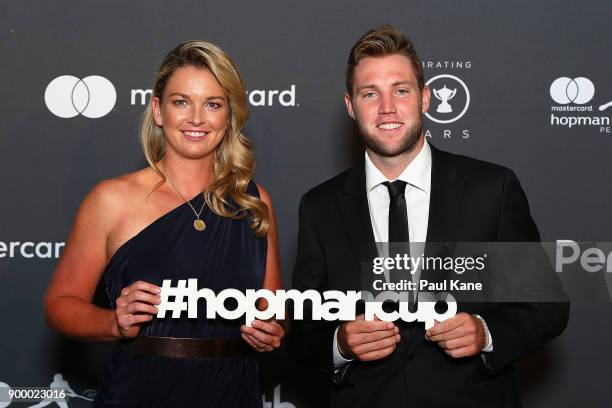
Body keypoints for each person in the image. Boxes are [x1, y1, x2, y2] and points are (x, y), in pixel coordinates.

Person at [291, 25, 569, 407]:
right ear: (350, 106)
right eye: (370, 93)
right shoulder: (320, 206)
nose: (387, 107)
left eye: (401, 90)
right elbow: (303, 329)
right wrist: (338, 343)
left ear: (424, 98)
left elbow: (546, 307)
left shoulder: (491, 189)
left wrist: (485, 333)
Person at [44, 40, 284, 407]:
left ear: (229, 115)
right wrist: (114, 323)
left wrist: (273, 330)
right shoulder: (111, 199)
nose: (196, 119)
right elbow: (60, 305)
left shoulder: (254, 201)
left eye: (213, 104)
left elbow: (273, 308)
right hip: (141, 391)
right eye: (181, 102)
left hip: (234, 391)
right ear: (158, 110)